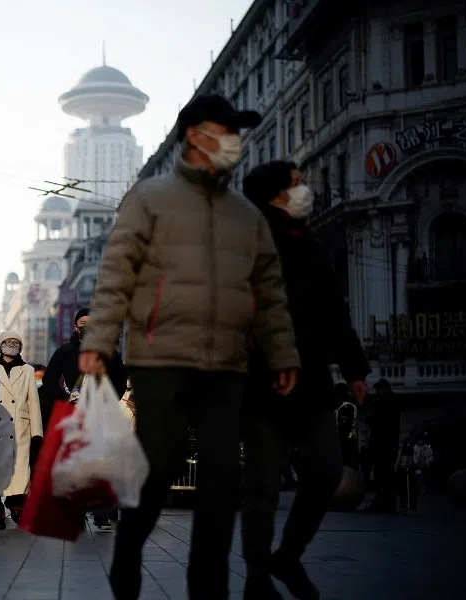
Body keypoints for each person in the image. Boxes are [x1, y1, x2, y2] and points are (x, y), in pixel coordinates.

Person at [78, 95, 301, 600]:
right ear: (197, 136)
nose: (234, 143)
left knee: (222, 481)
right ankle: (129, 548)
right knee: (160, 465)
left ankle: (209, 590)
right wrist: (100, 341)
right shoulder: (150, 198)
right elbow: (116, 274)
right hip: (161, 357)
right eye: (226, 131)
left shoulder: (247, 216)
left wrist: (282, 352)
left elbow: (269, 291)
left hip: (227, 365)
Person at [239, 160, 371, 600]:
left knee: (326, 470)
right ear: (274, 194)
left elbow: (335, 310)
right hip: (260, 383)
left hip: (311, 378)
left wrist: (354, 369)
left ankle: (288, 555)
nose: (304, 191)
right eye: (295, 185)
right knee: (262, 482)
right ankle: (258, 576)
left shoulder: (309, 242)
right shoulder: (245, 242)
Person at [40, 307, 127, 531]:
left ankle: (101, 515)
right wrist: (66, 397)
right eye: (83, 323)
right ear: (75, 327)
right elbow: (49, 382)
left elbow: (120, 381)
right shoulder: (65, 351)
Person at [0, 331, 43, 530]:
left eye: (15, 342)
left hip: (20, 428)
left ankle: (18, 506)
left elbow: (33, 402)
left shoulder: (27, 370)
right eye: (7, 342)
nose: (11, 344)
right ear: (0, 345)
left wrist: (37, 433)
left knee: (20, 473)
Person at [365, 379, 400, 513]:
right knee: (383, 475)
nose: (377, 392)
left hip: (384, 446)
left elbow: (380, 422)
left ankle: (384, 503)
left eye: (379, 389)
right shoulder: (388, 403)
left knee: (383, 475)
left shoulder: (386, 404)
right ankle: (384, 502)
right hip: (385, 445)